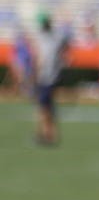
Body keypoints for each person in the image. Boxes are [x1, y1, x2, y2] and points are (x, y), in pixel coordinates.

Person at [33, 13, 70, 146]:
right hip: (49, 77)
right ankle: (46, 134)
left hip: (47, 78)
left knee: (45, 108)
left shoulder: (52, 37)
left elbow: (41, 60)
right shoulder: (51, 37)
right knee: (46, 107)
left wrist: (35, 75)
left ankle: (48, 135)